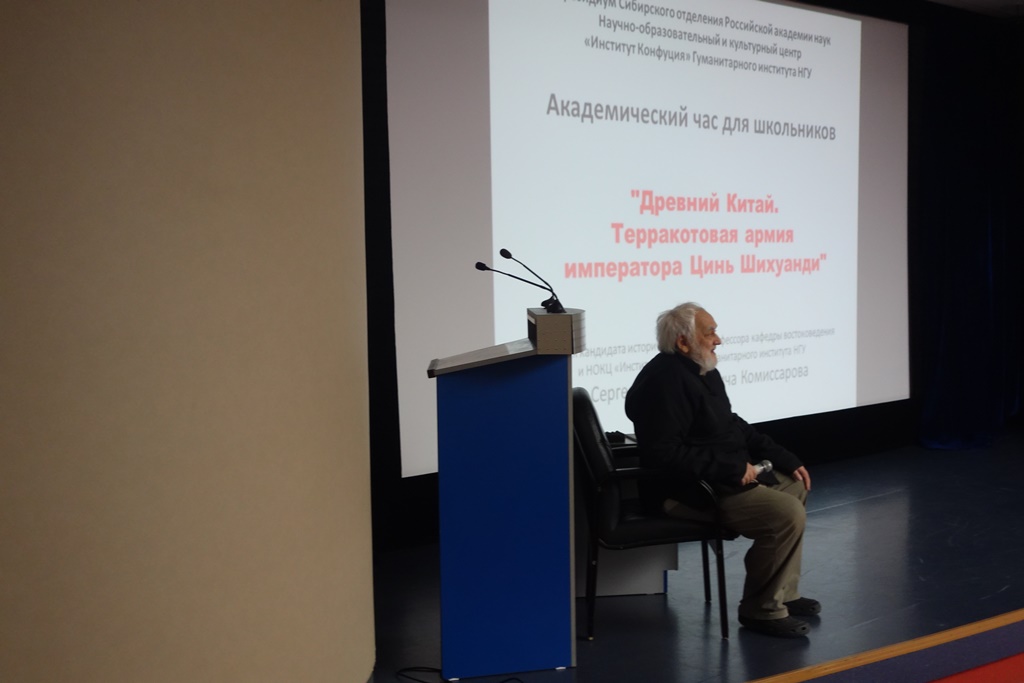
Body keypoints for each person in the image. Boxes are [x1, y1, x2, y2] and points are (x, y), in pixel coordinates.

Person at [625, 302, 819, 638]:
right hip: (686, 491)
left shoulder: (701, 370)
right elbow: (664, 455)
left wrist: (785, 457)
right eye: (710, 332)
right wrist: (731, 467)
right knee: (786, 513)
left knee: (795, 485)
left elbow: (731, 425)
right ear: (683, 342)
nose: (719, 340)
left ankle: (784, 592)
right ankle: (761, 610)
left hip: (718, 479)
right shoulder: (664, 383)